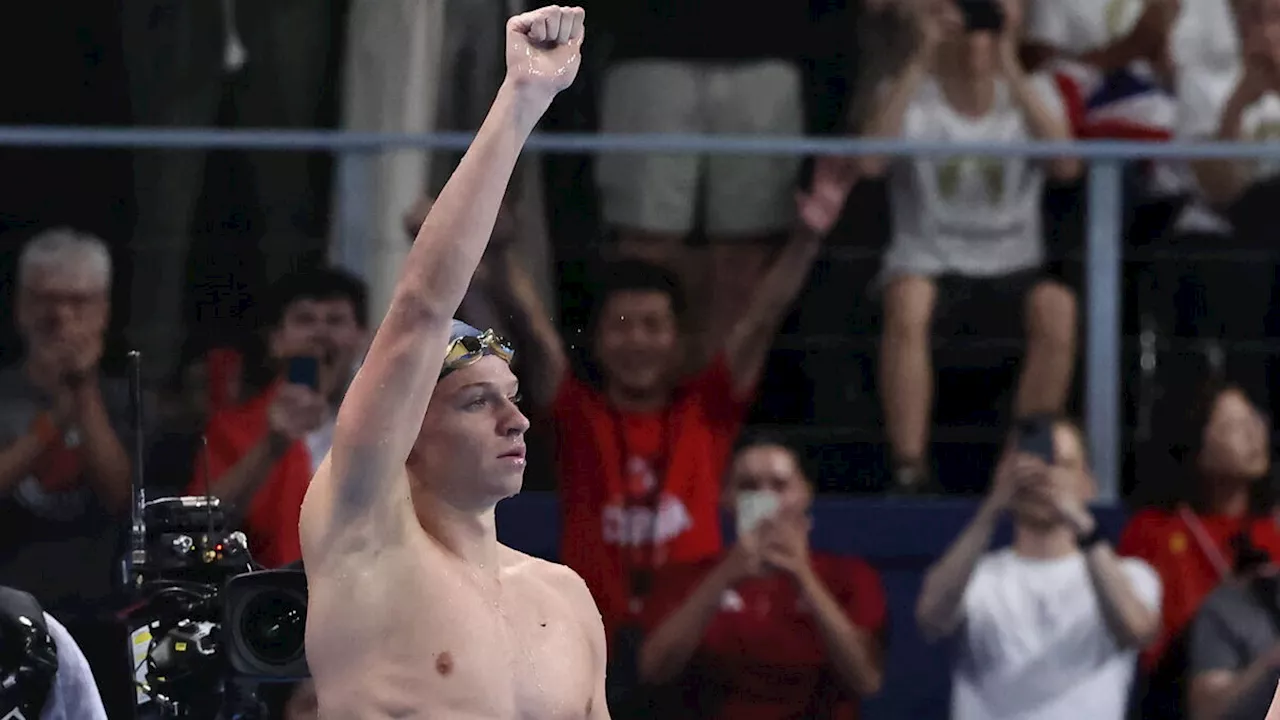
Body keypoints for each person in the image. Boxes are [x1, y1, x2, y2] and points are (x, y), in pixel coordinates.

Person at [298, 6, 606, 718]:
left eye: (512, 395)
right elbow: (420, 308)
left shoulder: (564, 600)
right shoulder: (366, 537)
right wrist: (522, 98)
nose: (514, 419)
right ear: (405, 434)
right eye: (476, 401)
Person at [859, 0, 1081, 492]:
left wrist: (1009, 68)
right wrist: (920, 57)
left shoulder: (1037, 90)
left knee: (1058, 306)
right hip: (928, 265)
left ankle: (1021, 464)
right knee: (908, 298)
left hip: (1012, 269)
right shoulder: (909, 94)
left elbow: (1066, 167)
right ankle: (909, 468)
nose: (976, 31)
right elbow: (870, 164)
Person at [916, 416, 1161, 719]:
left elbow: (1136, 628)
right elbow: (930, 617)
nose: (1044, 476)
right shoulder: (978, 577)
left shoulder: (1130, 574)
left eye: (1062, 465)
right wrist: (992, 508)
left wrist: (1081, 524)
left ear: (1088, 484)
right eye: (1030, 464)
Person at [637, 435, 886, 719]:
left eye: (780, 486)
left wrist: (804, 576)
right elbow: (654, 670)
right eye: (749, 487)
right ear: (727, 498)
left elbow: (866, 679)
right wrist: (724, 577)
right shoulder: (686, 577)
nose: (766, 499)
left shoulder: (850, 577)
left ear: (805, 493)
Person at [189, 268, 369, 568]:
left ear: (362, 339)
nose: (321, 334)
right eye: (305, 320)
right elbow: (197, 528)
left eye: (335, 320)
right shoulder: (232, 429)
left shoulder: (383, 427)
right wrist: (271, 447)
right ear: (276, 341)